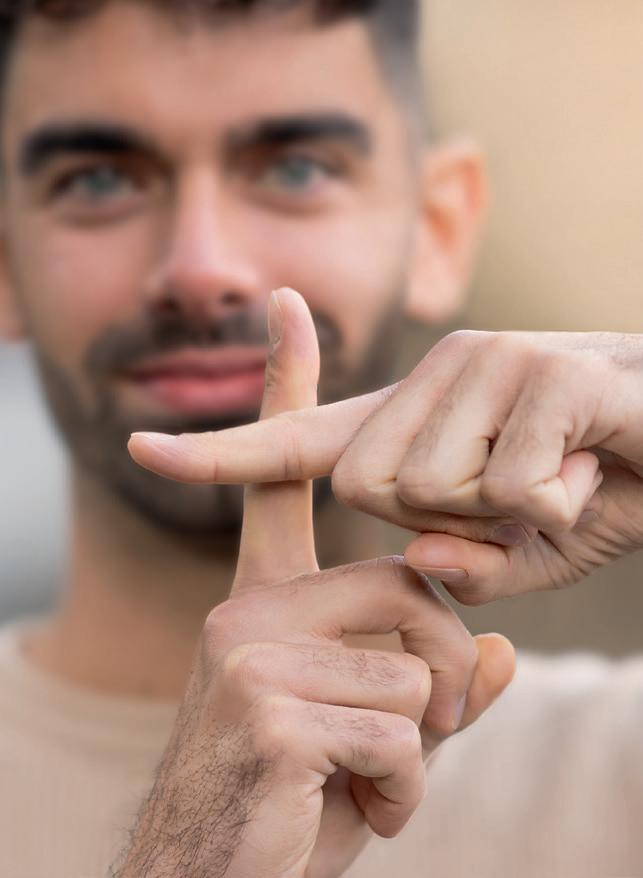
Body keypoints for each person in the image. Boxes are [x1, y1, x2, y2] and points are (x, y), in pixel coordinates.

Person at [0, 1, 641, 876]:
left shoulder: (616, 770)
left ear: (438, 230)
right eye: (98, 180)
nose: (200, 268)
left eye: (296, 168)